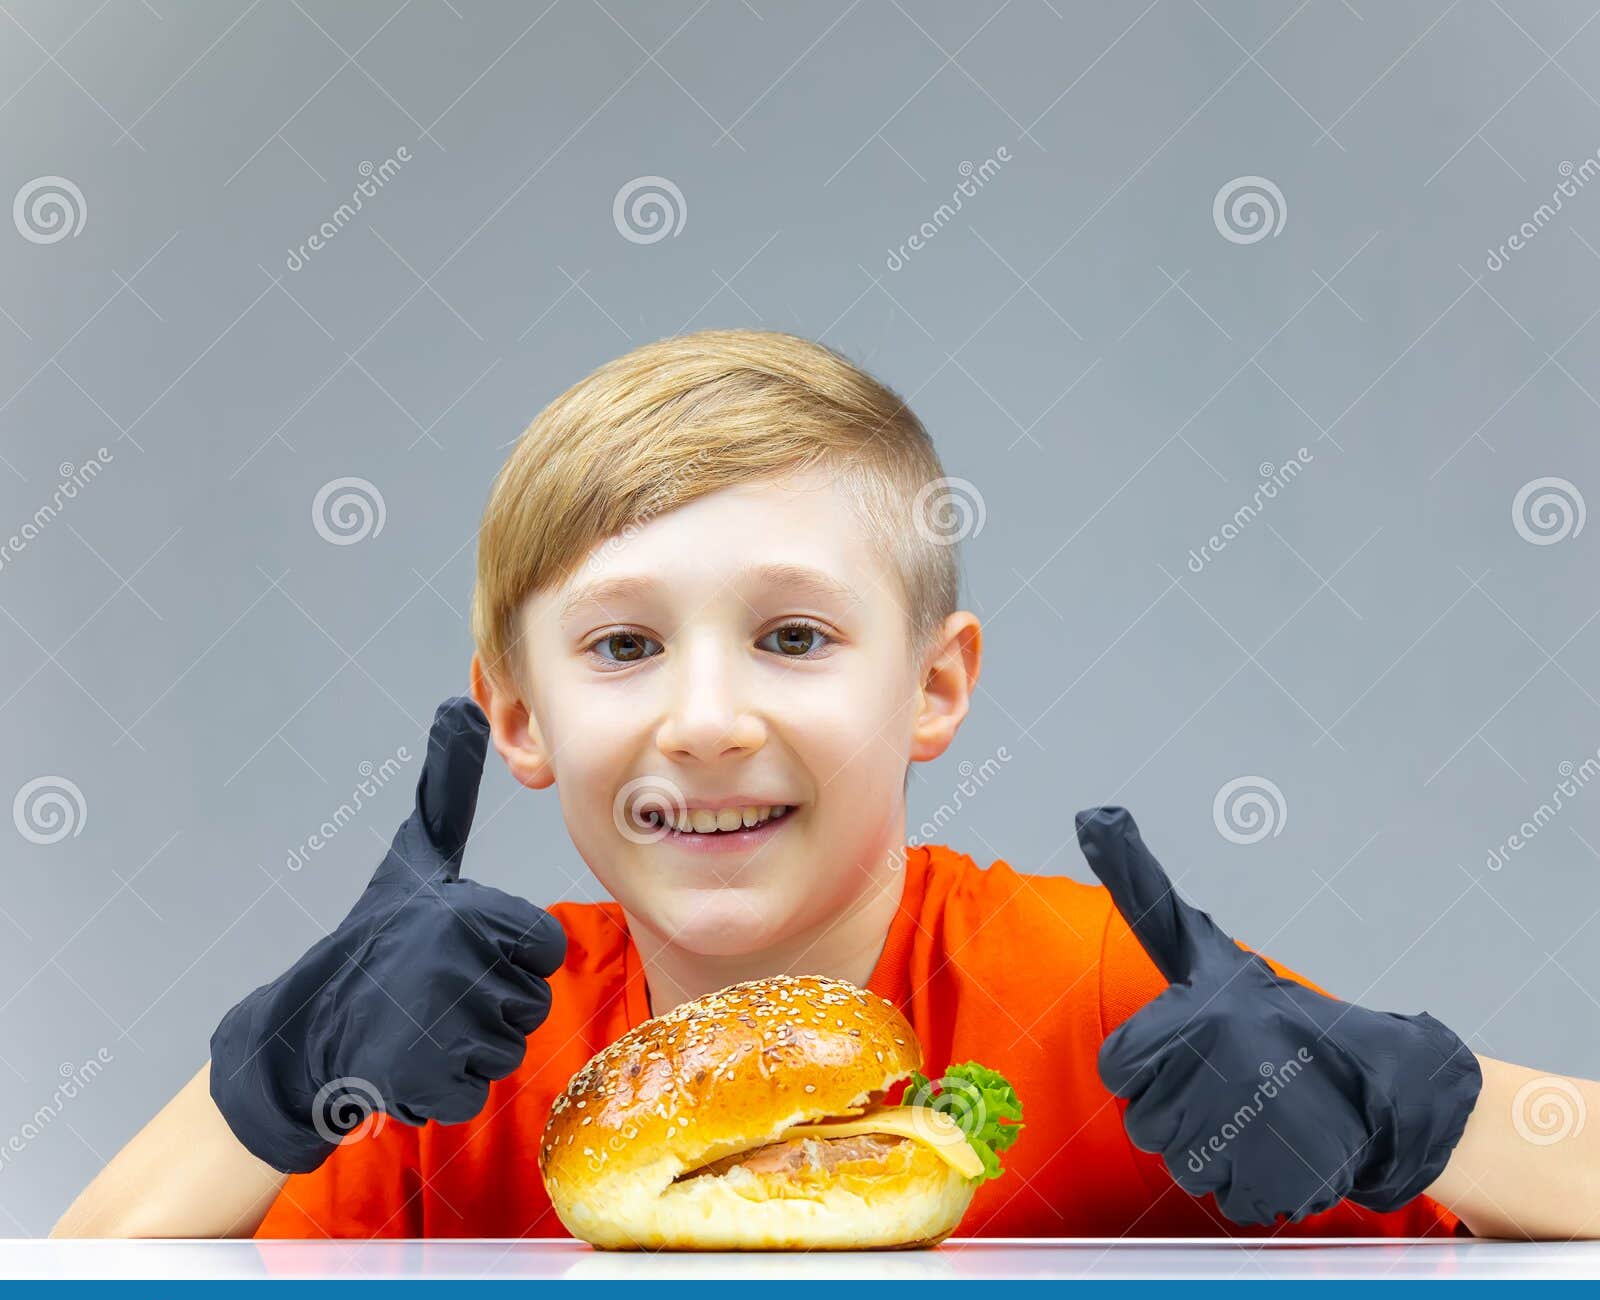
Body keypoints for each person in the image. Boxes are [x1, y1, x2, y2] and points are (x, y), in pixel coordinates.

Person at [52, 330, 1599, 1241]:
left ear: (933, 684)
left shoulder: (1099, 999)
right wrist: (273, 1073)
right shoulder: (455, 1062)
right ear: (516, 718)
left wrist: (1425, 1110)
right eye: (624, 645)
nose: (709, 719)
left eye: (793, 635)